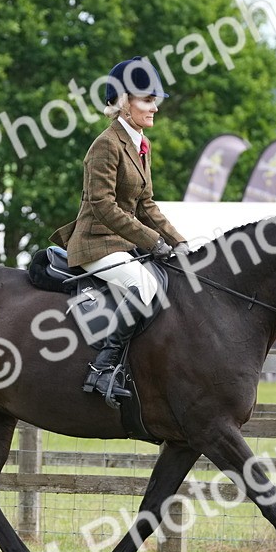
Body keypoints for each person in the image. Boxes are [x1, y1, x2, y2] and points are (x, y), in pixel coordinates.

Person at [50, 56, 187, 407]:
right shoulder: (106, 144)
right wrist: (152, 241)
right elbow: (103, 205)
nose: (154, 107)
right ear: (125, 102)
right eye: (147, 100)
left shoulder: (141, 144)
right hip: (96, 243)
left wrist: (179, 242)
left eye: (155, 100)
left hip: (123, 244)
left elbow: (146, 204)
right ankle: (104, 368)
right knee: (145, 286)